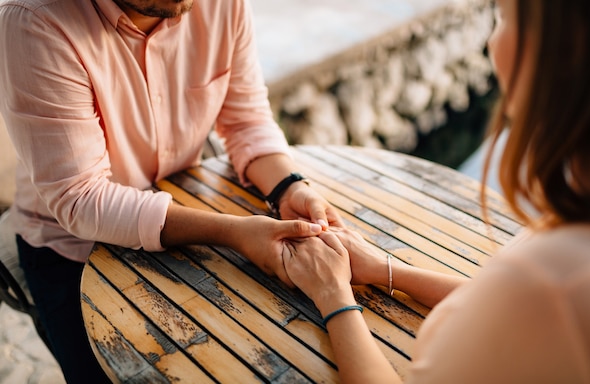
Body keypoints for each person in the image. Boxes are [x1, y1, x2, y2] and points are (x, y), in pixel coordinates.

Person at [282, 0, 590, 382]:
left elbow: (533, 299)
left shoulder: (549, 283)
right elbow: (505, 307)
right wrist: (386, 269)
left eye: (504, 17)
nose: (492, 44)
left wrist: (333, 295)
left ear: (566, 50)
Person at [0, 0, 343, 382]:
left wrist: (288, 187)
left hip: (188, 217)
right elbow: (82, 199)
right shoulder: (34, 21)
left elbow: (246, 120)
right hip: (71, 249)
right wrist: (234, 232)